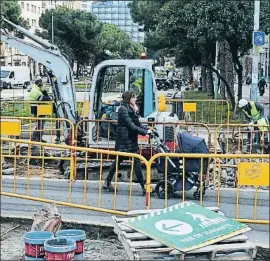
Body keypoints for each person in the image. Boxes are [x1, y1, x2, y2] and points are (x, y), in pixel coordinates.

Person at [103, 91, 152, 195]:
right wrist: (145, 132)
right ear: (129, 99)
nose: (135, 99)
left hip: (131, 141)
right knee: (119, 162)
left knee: (135, 163)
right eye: (133, 97)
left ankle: (143, 187)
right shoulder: (123, 109)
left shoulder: (131, 109)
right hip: (124, 141)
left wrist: (148, 129)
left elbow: (137, 124)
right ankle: (143, 187)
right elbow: (131, 125)